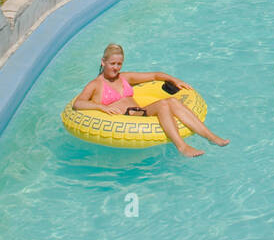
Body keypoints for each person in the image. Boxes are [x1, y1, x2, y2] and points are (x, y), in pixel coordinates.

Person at [72, 43, 229, 160]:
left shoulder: (124, 78)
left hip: (140, 113)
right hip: (127, 119)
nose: (116, 68)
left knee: (172, 102)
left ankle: (212, 137)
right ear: (103, 62)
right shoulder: (96, 85)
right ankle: (182, 147)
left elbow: (155, 75)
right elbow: (78, 104)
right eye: (112, 64)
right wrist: (100, 107)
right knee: (163, 104)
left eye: (119, 64)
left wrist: (174, 80)